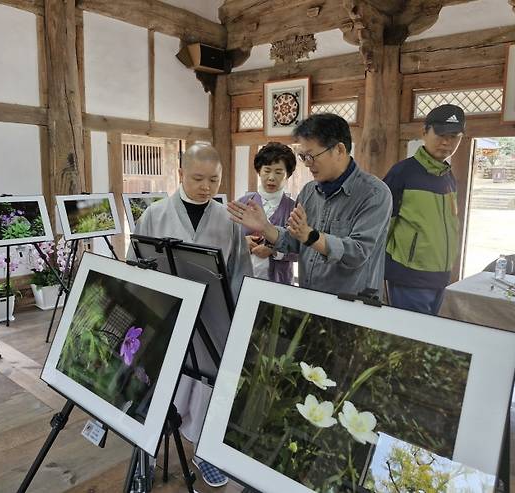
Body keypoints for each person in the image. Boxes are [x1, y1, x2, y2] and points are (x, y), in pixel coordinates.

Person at [129, 143, 252, 488]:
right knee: (156, 382)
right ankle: (146, 452)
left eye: (214, 180)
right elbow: (135, 265)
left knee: (208, 385)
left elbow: (241, 272)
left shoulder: (229, 219)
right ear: (181, 174)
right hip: (164, 312)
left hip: (212, 317)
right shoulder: (154, 214)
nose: (206, 187)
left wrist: (239, 317)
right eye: (198, 178)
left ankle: (204, 448)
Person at [228, 113, 392, 296]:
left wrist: (310, 236)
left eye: (311, 156)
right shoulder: (309, 192)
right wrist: (266, 227)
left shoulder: (374, 194)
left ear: (339, 150)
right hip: (309, 297)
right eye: (303, 157)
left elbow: (358, 252)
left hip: (351, 306)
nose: (307, 164)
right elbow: (294, 241)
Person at [383, 104, 464, 315]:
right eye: (440, 134)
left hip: (440, 277)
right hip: (409, 277)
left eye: (454, 136)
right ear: (424, 132)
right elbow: (382, 226)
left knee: (425, 339)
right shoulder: (403, 173)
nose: (447, 142)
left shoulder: (448, 176)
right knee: (409, 341)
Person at [238, 142, 298, 284]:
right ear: (259, 171)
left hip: (279, 282)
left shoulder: (294, 208)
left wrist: (274, 252)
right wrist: (242, 242)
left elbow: (301, 250)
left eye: (278, 172)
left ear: (287, 175)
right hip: (245, 279)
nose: (271, 177)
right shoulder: (243, 202)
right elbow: (228, 238)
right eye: (267, 170)